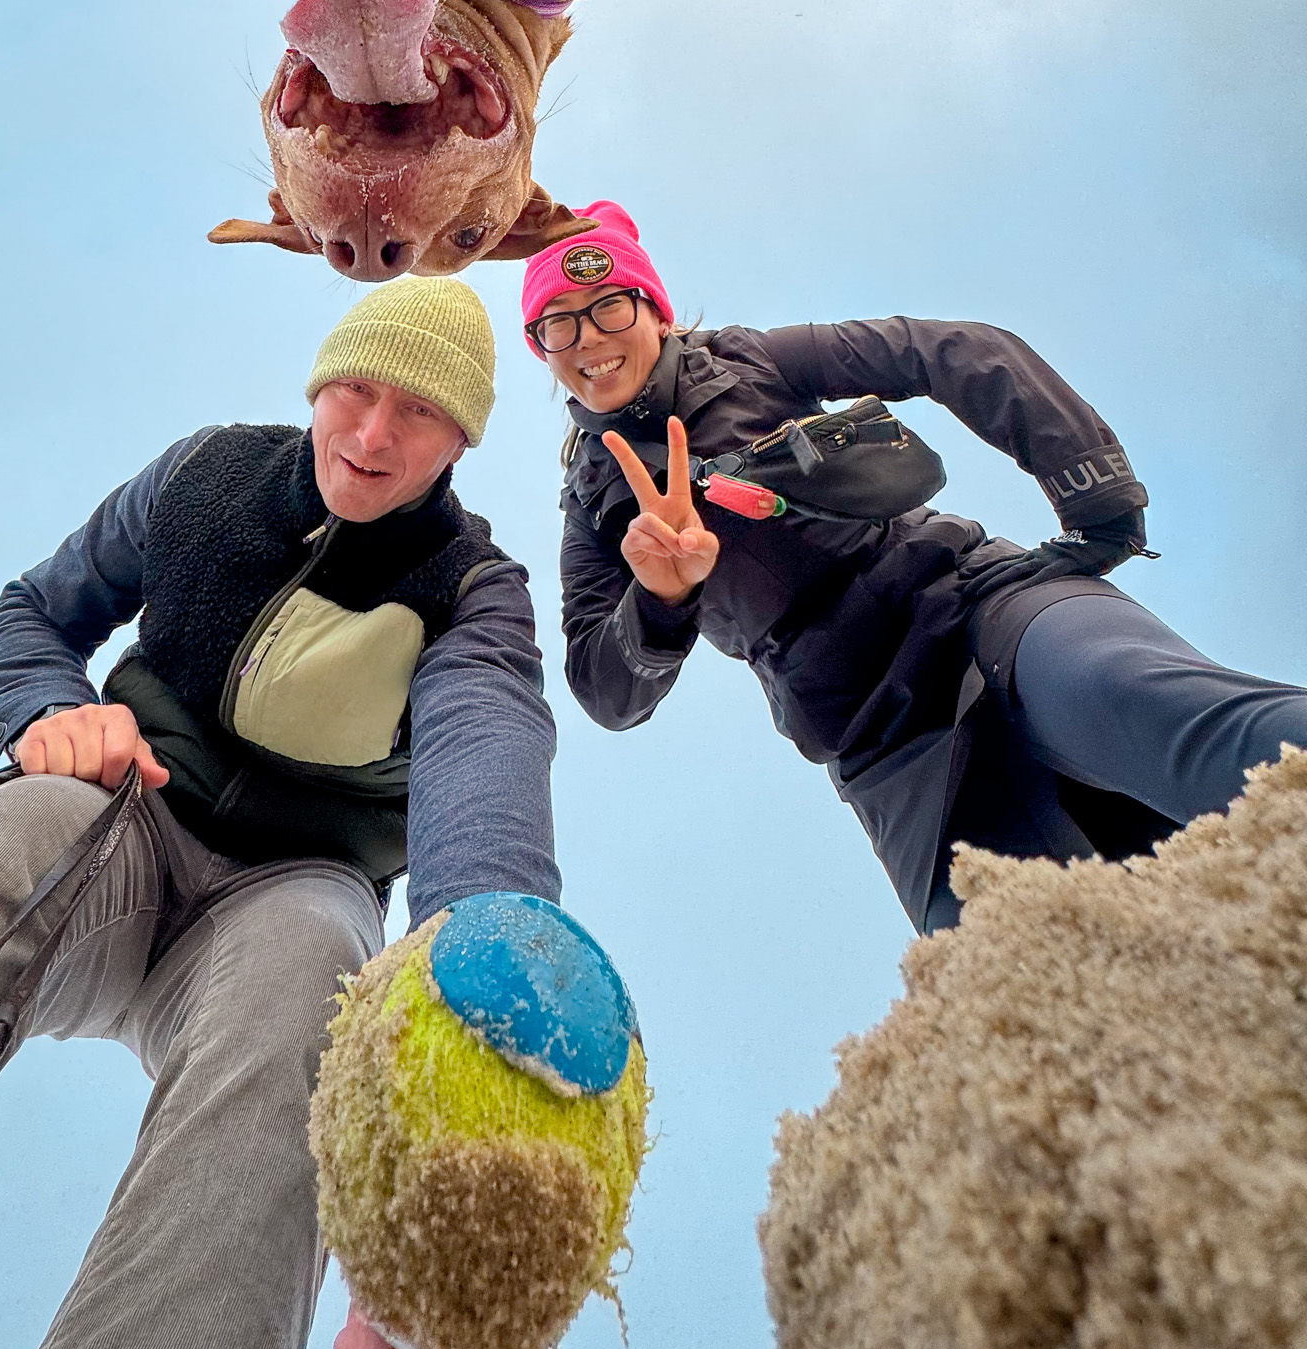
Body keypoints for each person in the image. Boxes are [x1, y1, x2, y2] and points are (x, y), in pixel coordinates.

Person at [0, 278, 560, 1349]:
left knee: (320, 975)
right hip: (124, 822)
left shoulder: (471, 587)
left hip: (298, 878)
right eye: (358, 391)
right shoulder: (207, 476)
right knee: (19, 827)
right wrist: (50, 707)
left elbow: (488, 747)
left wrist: (484, 954)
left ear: (461, 437)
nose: (375, 434)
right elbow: (37, 610)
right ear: (321, 382)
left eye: (419, 411)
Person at [521, 200, 1307, 936]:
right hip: (880, 738)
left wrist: (1095, 495)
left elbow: (952, 350)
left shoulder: (753, 362)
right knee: (1001, 971)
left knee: (1158, 710)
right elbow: (605, 692)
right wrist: (661, 599)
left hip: (981, 607)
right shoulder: (594, 505)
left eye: (608, 308)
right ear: (541, 348)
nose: (588, 339)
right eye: (559, 324)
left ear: (654, 309)